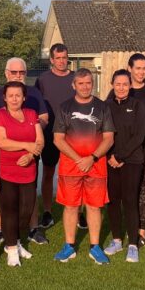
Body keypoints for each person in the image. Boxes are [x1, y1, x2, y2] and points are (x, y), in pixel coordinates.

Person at [52, 68, 115, 264]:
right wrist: (79, 158)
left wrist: (92, 158)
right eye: (81, 83)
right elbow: (58, 139)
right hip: (71, 166)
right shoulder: (65, 107)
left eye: (88, 83)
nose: (85, 86)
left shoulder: (103, 107)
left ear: (92, 83)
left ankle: (95, 247)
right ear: (74, 85)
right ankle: (69, 246)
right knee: (71, 206)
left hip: (96, 165)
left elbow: (109, 138)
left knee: (94, 207)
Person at [0, 57, 48, 245]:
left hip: (30, 155)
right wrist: (24, 143)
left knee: (29, 195)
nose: (18, 75)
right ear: (6, 73)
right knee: (2, 195)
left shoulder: (35, 93)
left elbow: (43, 118)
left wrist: (32, 149)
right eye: (14, 72)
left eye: (22, 72)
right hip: (5, 157)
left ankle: (33, 228)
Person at [106, 53, 145, 247]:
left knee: (143, 190)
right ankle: (120, 236)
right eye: (138, 68)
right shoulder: (116, 94)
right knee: (124, 194)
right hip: (124, 152)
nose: (141, 72)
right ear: (130, 69)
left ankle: (141, 232)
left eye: (144, 68)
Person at [0, 81, 43, 267]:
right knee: (10, 211)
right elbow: (0, 141)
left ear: (24, 97)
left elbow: (40, 141)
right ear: (4, 98)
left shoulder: (31, 114)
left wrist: (30, 155)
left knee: (27, 210)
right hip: (6, 171)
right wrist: (25, 145)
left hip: (28, 170)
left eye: (18, 95)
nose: (14, 99)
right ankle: (12, 248)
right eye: (10, 95)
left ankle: (16, 241)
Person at [103, 70, 145, 263]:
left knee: (130, 201)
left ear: (130, 85)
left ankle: (133, 244)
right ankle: (116, 240)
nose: (121, 88)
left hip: (132, 161)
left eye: (125, 84)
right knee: (112, 201)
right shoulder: (105, 107)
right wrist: (111, 156)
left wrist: (121, 156)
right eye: (118, 84)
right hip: (110, 160)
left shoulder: (138, 106)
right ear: (112, 84)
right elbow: (102, 133)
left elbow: (139, 135)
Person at [33, 43, 75, 243]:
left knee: (72, 174)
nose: (61, 61)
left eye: (64, 57)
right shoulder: (42, 80)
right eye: (57, 58)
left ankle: (76, 210)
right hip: (50, 133)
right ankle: (48, 212)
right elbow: (36, 104)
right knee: (48, 172)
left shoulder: (75, 78)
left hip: (72, 134)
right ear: (51, 59)